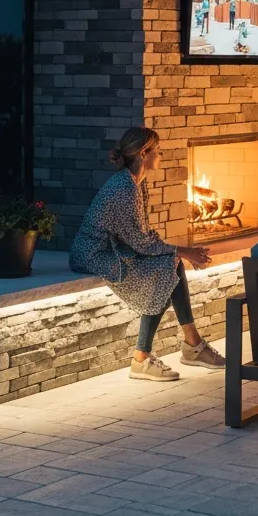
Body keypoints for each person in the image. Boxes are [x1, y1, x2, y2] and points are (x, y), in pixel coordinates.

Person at [70, 127, 225, 380]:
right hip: (95, 254)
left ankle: (186, 346)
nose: (161, 155)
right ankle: (153, 355)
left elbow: (142, 235)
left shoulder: (135, 183)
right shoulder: (124, 188)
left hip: (117, 248)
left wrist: (180, 252)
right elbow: (141, 242)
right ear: (144, 153)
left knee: (169, 264)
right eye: (158, 151)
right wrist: (184, 251)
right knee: (164, 269)